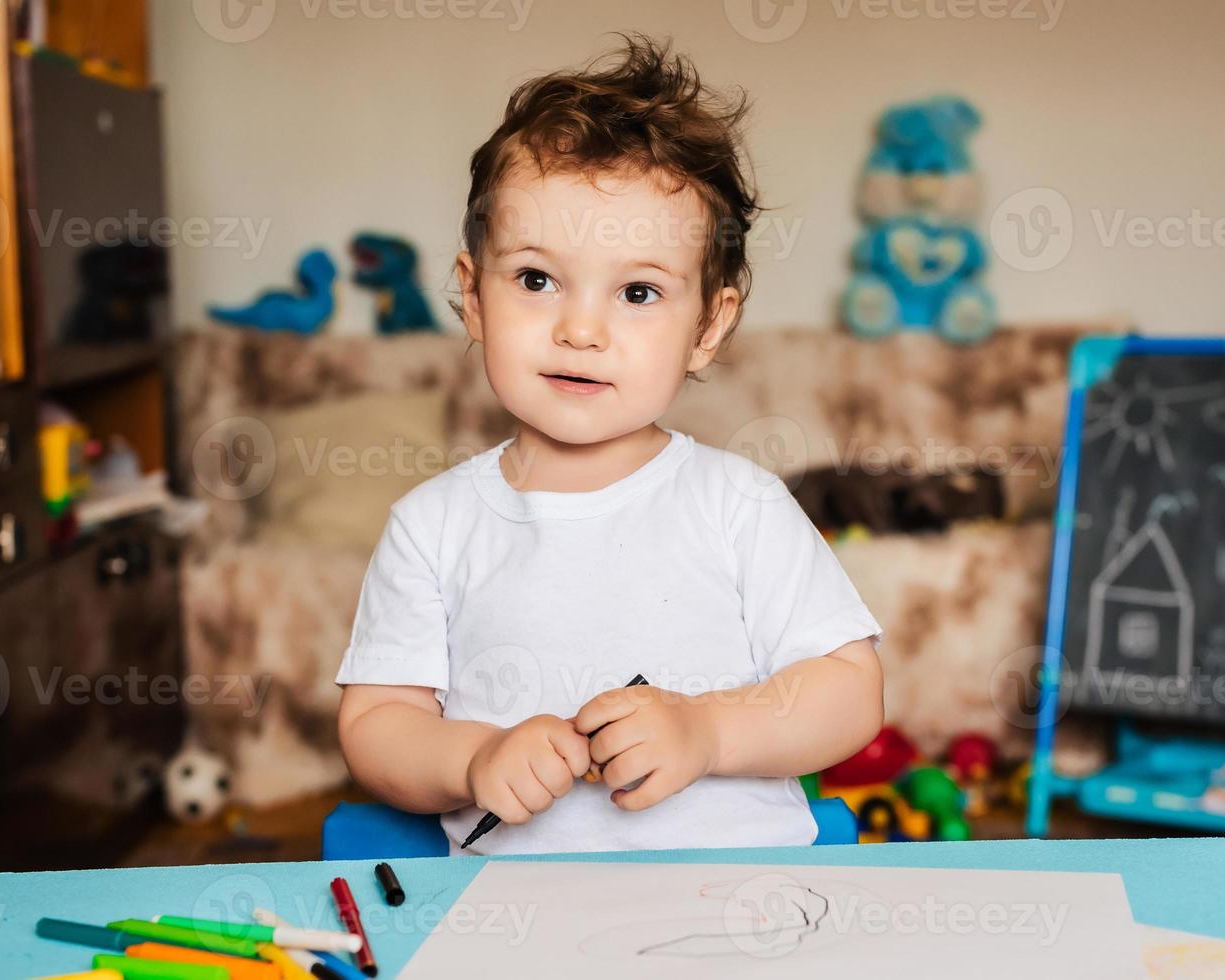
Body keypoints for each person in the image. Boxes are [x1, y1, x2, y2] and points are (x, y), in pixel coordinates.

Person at [337, 34, 884, 855]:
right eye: (535, 279)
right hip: (518, 923)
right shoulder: (433, 526)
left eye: (637, 291)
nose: (581, 329)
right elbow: (380, 725)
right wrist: (475, 756)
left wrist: (706, 730)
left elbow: (850, 692)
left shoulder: (739, 506)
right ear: (473, 296)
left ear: (709, 325)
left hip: (740, 910)